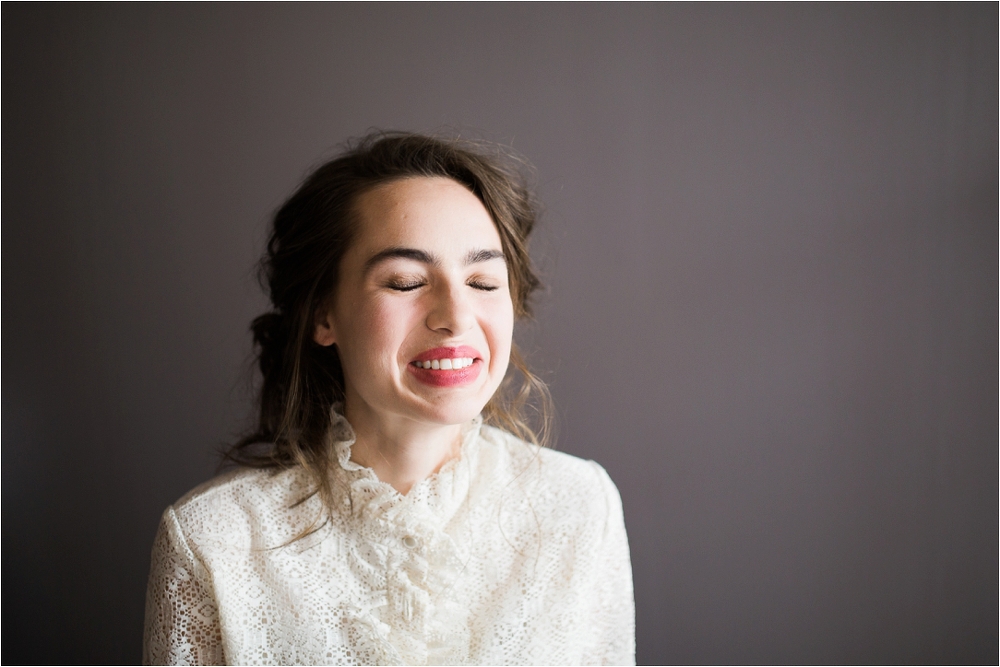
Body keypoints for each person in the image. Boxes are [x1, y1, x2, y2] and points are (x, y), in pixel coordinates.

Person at [142, 132, 635, 665]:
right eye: (404, 282)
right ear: (323, 315)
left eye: (482, 281)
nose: (456, 316)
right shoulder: (211, 541)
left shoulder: (580, 505)